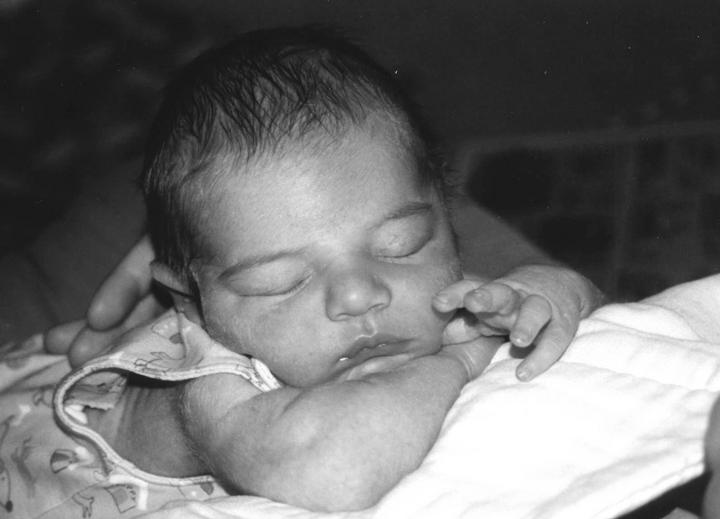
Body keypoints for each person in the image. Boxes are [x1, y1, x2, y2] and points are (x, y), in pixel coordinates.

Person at [0, 26, 603, 517]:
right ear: (190, 300)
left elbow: (605, 327)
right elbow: (332, 468)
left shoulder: (433, 295)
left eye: (402, 245)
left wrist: (547, 288)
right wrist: (466, 357)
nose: (358, 294)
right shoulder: (202, 384)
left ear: (446, 215)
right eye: (281, 283)